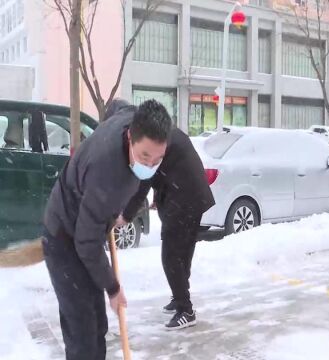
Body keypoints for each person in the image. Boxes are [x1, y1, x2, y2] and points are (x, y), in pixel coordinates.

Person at [42, 100, 172, 360]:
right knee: (83, 336)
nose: (150, 164)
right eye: (145, 156)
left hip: (85, 227)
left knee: (98, 325)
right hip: (64, 237)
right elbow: (86, 242)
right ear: (130, 137)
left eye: (158, 158)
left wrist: (123, 214)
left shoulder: (133, 118)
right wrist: (113, 288)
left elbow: (114, 106)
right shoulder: (109, 175)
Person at [118, 107, 214, 330]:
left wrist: (126, 216)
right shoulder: (168, 133)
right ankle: (180, 297)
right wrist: (161, 197)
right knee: (183, 251)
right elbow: (171, 169)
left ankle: (185, 309)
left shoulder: (154, 141)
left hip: (184, 199)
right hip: (193, 197)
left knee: (171, 255)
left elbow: (144, 183)